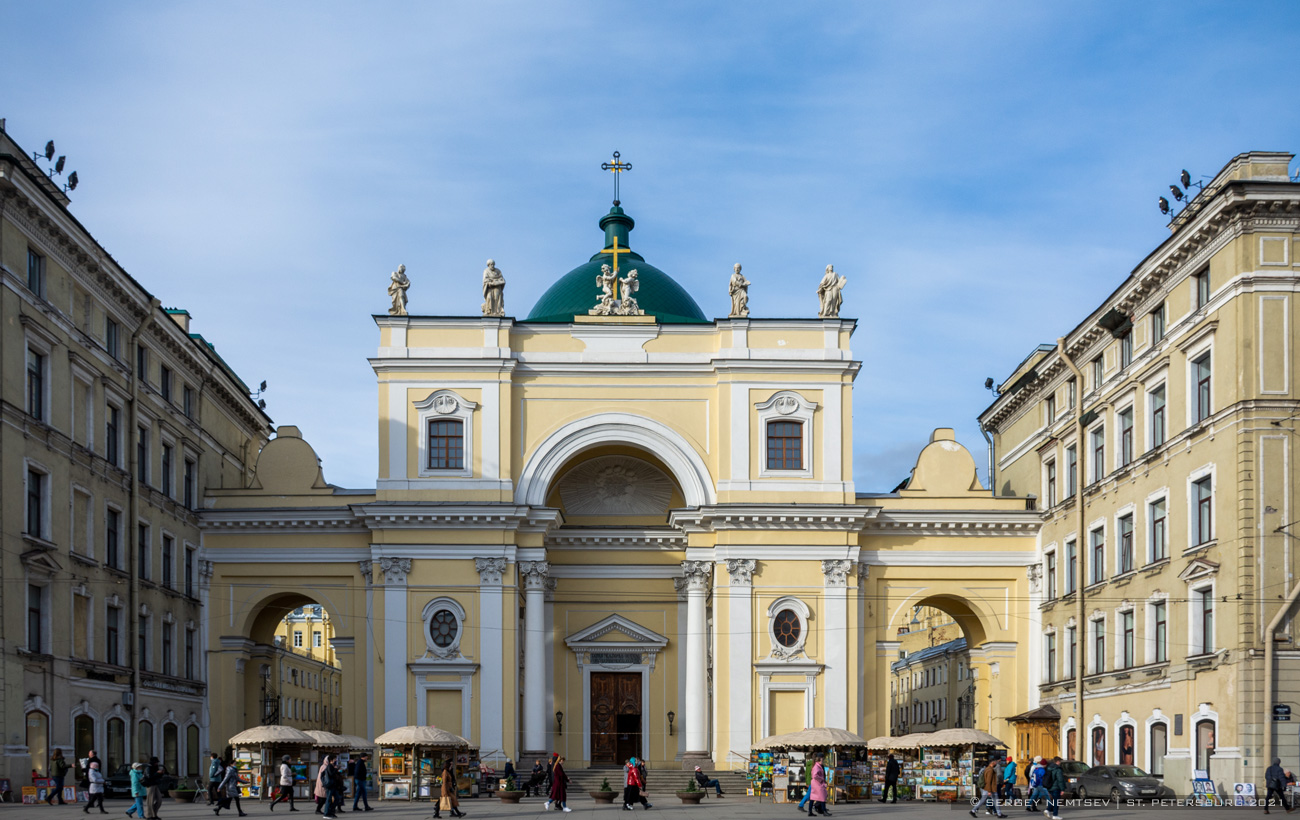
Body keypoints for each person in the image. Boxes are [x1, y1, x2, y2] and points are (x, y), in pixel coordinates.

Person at [143, 756, 165, 820]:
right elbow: (149, 777)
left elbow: (157, 777)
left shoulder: (155, 768)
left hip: (155, 784)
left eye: (157, 762)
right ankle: (149, 815)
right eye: (156, 762)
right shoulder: (148, 768)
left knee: (159, 800)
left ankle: (154, 814)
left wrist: (161, 773)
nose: (157, 763)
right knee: (150, 801)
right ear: (152, 762)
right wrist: (157, 773)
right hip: (150, 785)